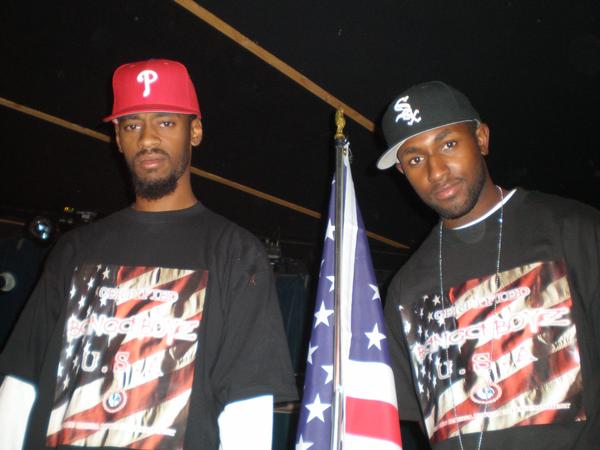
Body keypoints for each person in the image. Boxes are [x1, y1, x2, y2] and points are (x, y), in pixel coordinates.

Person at [0, 58, 297, 450]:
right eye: (132, 125)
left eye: (166, 122)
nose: (147, 139)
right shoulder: (74, 249)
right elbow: (21, 385)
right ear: (117, 138)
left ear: (195, 131)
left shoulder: (236, 252)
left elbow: (247, 406)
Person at [378, 81, 599, 449]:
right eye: (415, 159)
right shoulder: (406, 287)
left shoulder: (574, 230)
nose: (436, 171)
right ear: (402, 171)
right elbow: (421, 415)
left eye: (448, 145)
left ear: (481, 138)